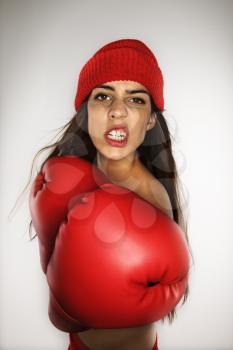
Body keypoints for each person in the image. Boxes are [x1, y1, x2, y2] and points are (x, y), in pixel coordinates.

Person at [14, 38, 192, 350]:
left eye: (136, 100)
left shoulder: (150, 196)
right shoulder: (65, 179)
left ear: (151, 119)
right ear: (86, 111)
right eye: (102, 96)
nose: (117, 110)